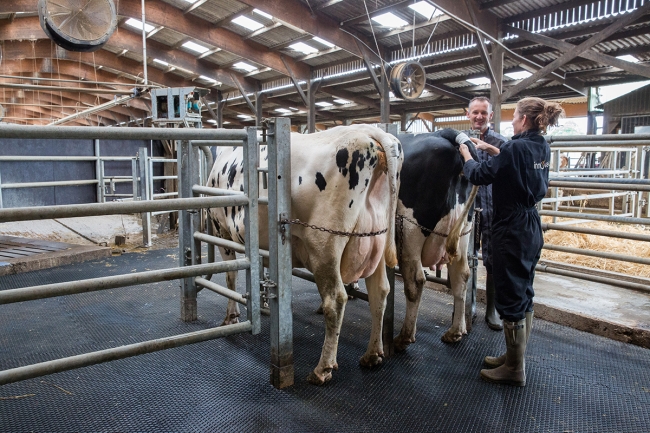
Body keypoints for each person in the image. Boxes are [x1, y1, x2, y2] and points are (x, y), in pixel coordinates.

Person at [459, 97, 564, 387]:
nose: (512, 121)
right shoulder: (540, 145)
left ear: (525, 120)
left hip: (511, 227)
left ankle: (515, 370)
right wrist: (492, 149)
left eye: (515, 116)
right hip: (530, 223)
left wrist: (467, 153)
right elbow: (515, 162)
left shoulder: (516, 147)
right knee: (524, 291)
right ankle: (513, 357)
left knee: (511, 296)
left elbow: (480, 174)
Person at [464, 96, 507, 331]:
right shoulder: (461, 143)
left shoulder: (501, 143)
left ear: (490, 116)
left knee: (493, 261)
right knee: (468, 258)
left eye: (483, 112)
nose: (479, 116)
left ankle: (491, 310)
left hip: (493, 212)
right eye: (475, 112)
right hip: (469, 212)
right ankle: (469, 305)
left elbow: (511, 167)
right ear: (468, 115)